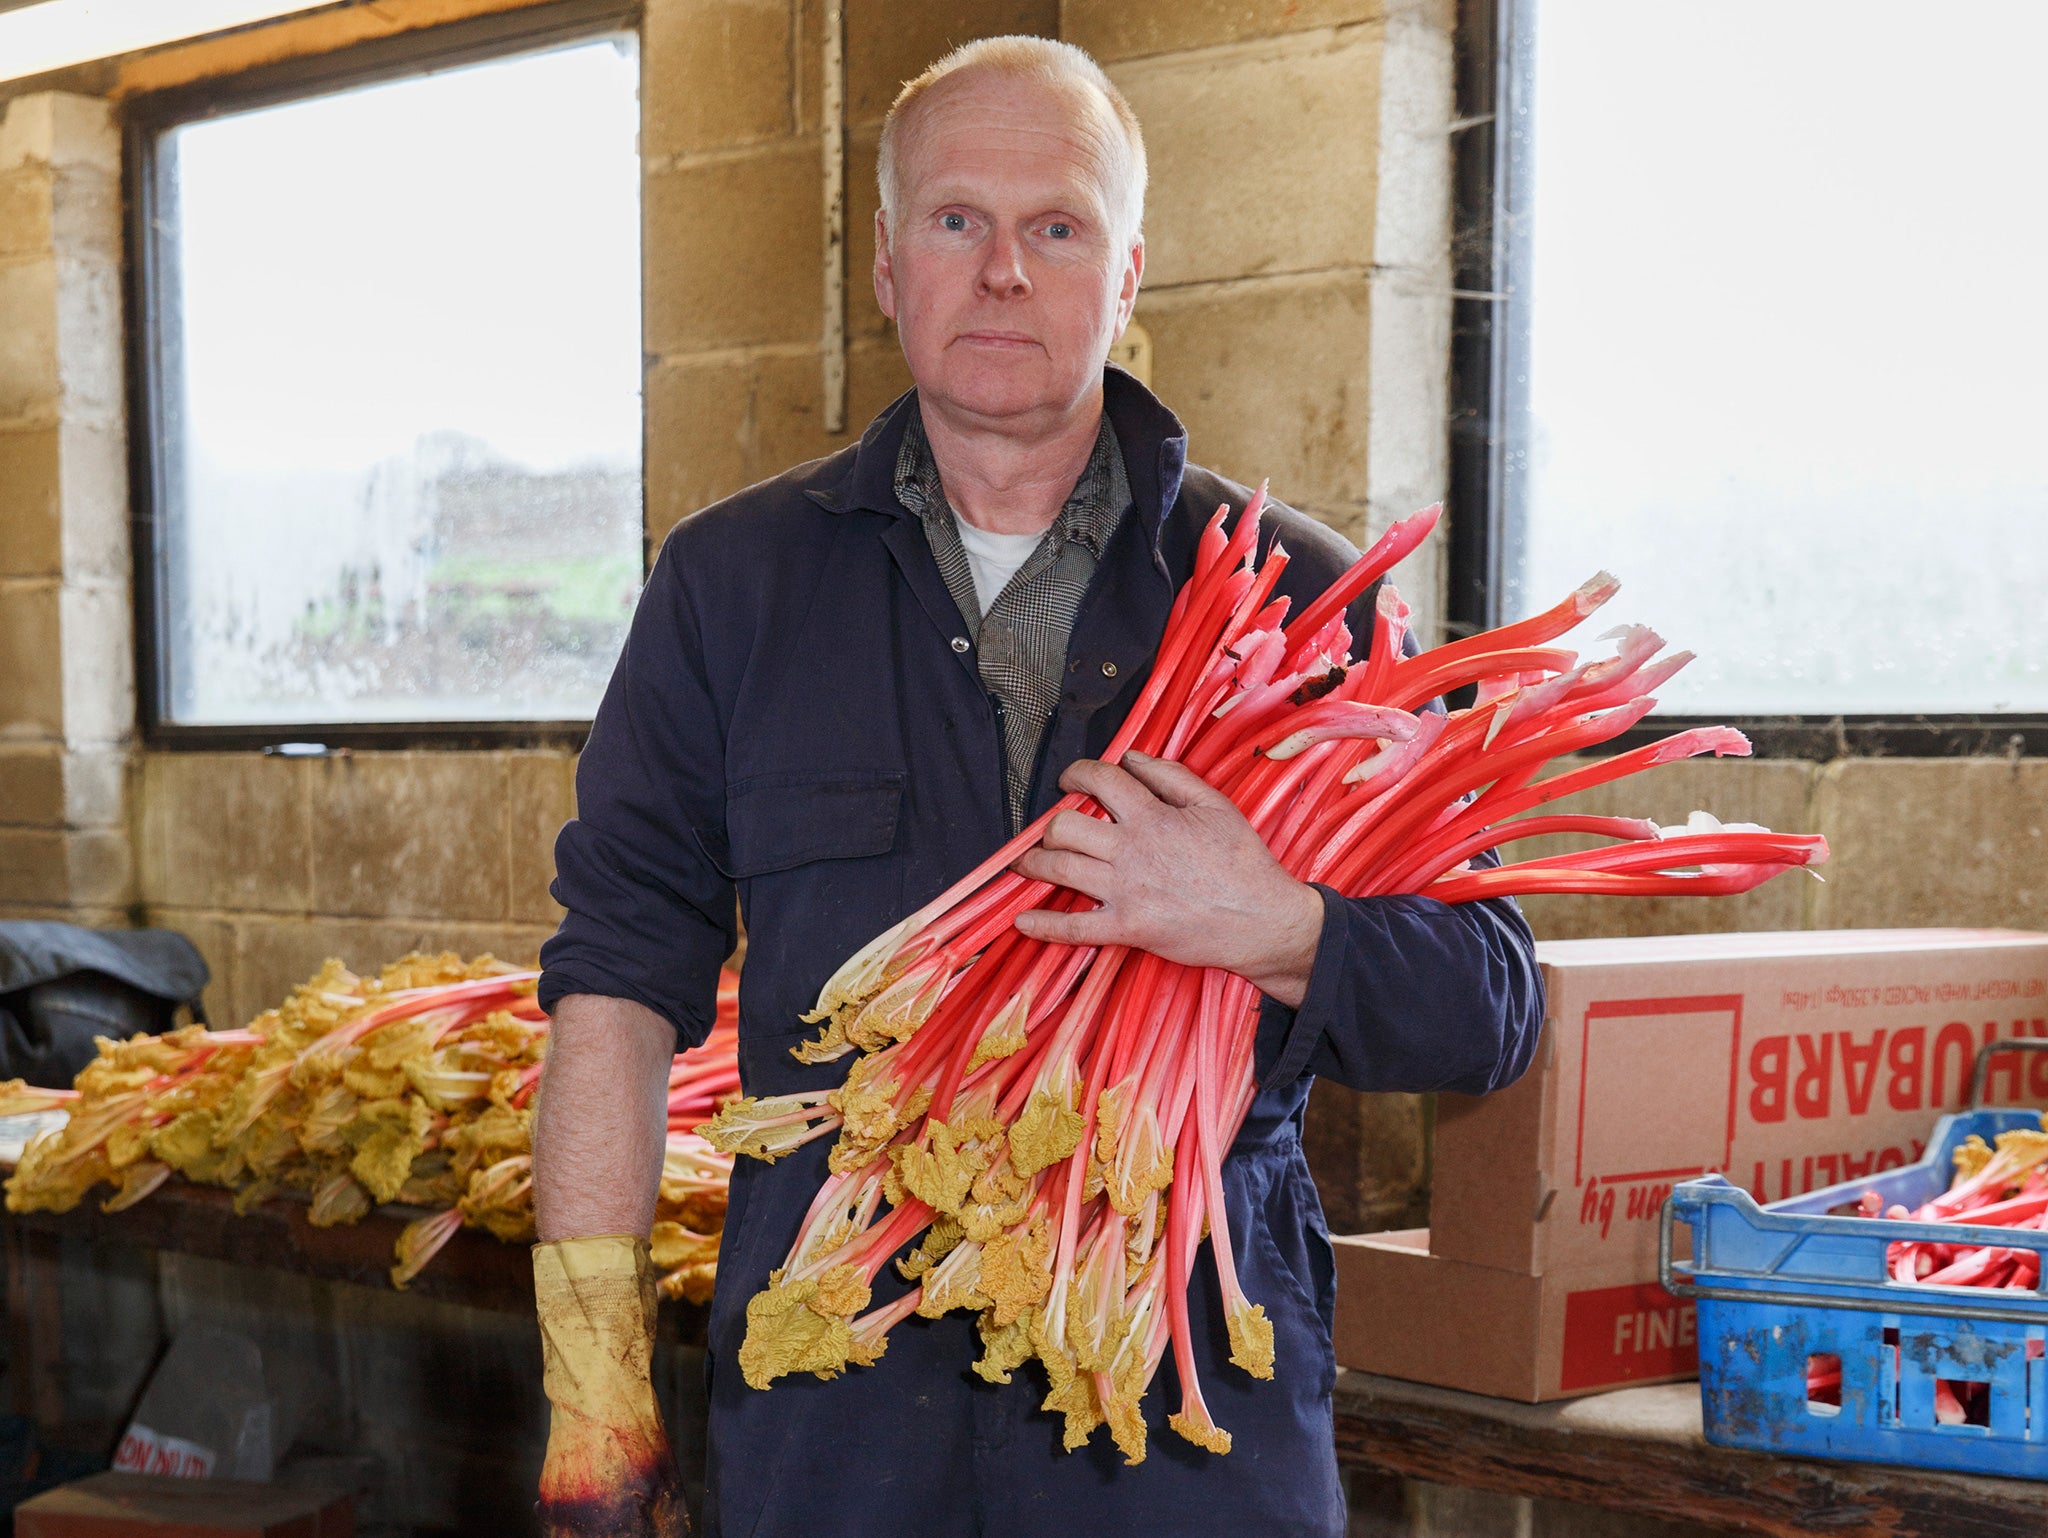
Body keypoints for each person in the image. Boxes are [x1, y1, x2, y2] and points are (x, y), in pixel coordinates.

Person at [530, 36, 1543, 1538]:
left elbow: (1493, 1004)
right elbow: (613, 987)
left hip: (1191, 1433)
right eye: (956, 221)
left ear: (1129, 274)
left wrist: (1275, 921)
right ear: (885, 265)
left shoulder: (1295, 598)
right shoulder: (729, 588)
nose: (1004, 270)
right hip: (845, 1429)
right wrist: (593, 1388)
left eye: (1056, 227)